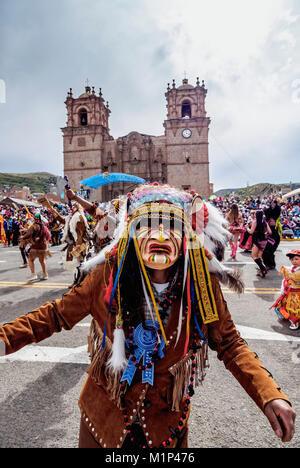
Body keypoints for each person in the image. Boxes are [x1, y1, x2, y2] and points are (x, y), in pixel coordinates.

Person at [0, 183, 296, 448]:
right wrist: (4, 339)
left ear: (188, 238)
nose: (159, 234)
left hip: (165, 427)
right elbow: (54, 315)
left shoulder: (199, 284)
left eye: (171, 225)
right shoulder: (106, 277)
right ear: (130, 233)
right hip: (102, 422)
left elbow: (229, 343)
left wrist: (268, 393)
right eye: (147, 224)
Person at [271, 249, 300, 330]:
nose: (294, 261)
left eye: (296, 259)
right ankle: (294, 320)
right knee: (289, 307)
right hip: (290, 293)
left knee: (296, 308)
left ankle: (296, 321)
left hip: (298, 293)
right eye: (292, 259)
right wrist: (283, 288)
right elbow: (285, 280)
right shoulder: (290, 269)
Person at [20, 212, 51, 282]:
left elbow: (29, 234)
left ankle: (33, 275)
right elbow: (48, 236)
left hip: (36, 246)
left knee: (30, 260)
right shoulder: (44, 226)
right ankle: (45, 274)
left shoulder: (34, 226)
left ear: (35, 219)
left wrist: (23, 237)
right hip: (43, 246)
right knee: (42, 261)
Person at [247, 210, 271, 278]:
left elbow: (251, 232)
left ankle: (263, 268)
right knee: (259, 256)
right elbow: (270, 232)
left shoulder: (255, 221)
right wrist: (265, 233)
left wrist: (247, 228)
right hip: (264, 241)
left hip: (257, 240)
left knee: (254, 256)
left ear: (256, 215)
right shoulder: (265, 222)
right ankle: (261, 272)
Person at [263, 199, 282, 270]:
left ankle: (269, 264)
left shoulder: (275, 223)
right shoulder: (270, 221)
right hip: (273, 237)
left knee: (268, 251)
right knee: (269, 251)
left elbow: (276, 210)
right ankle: (271, 264)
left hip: (274, 237)